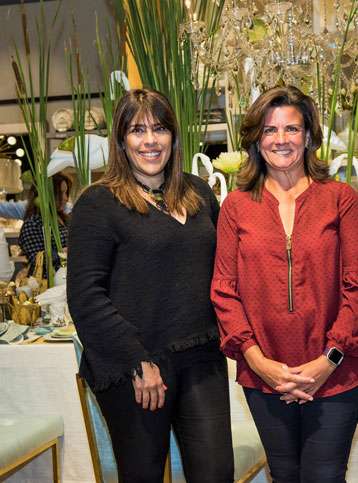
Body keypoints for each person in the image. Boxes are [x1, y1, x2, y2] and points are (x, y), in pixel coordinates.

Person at [67, 88, 234, 483]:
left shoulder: (197, 192)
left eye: (159, 129)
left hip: (203, 355)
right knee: (142, 474)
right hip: (136, 365)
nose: (150, 140)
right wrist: (137, 362)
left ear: (174, 137)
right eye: (137, 130)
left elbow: (228, 268)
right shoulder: (98, 203)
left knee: (216, 473)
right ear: (121, 141)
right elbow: (86, 297)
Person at [211, 86, 358, 482]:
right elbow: (224, 289)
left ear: (309, 136)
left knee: (324, 477)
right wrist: (257, 361)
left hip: (334, 375)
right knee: (283, 476)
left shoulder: (341, 199)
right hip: (263, 377)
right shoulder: (235, 206)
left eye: (292, 129)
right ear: (255, 140)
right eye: (269, 130)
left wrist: (327, 362)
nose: (281, 139)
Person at [18, 173, 71, 278]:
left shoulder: (64, 218)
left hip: (65, 279)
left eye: (66, 192)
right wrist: (68, 251)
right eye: (61, 193)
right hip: (47, 284)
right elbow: (36, 259)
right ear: (47, 196)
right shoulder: (33, 223)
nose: (66, 198)